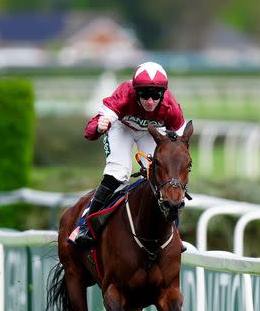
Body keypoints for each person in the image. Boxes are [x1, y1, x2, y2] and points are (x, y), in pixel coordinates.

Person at [68, 61, 185, 247]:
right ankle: (85, 225)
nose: (150, 101)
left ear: (164, 94)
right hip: (122, 128)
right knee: (119, 172)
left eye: (156, 95)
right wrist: (98, 127)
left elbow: (180, 144)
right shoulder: (124, 94)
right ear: (135, 91)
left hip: (150, 131)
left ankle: (174, 233)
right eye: (144, 94)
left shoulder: (171, 108)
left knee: (160, 177)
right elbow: (89, 132)